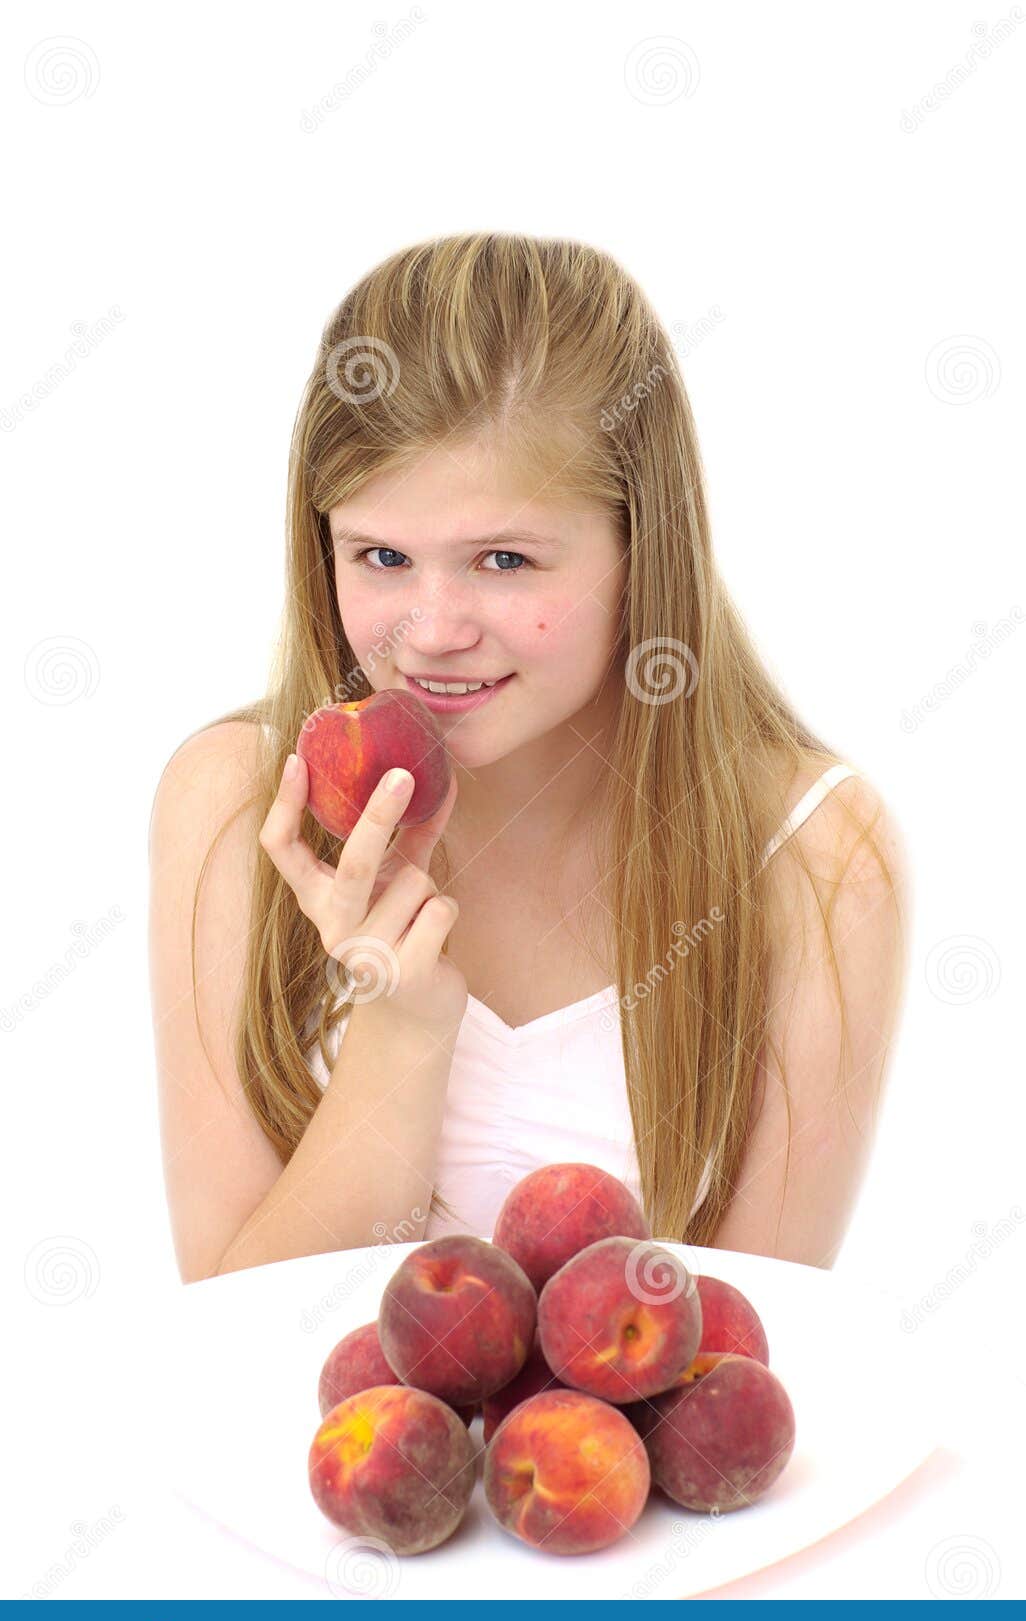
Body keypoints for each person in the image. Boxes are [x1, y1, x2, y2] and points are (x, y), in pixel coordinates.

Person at [148, 232, 910, 1285]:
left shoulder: (813, 852)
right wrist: (402, 1035)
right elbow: (231, 1347)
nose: (430, 631)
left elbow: (746, 1367)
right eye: (381, 556)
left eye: (503, 560)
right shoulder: (233, 802)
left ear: (644, 549)